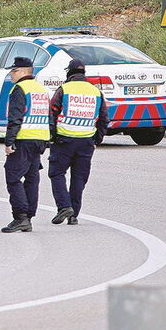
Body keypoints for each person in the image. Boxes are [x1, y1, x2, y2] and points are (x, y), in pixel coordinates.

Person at [48, 59, 109, 225]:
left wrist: (52, 137)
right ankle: (73, 215)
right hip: (86, 143)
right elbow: (104, 119)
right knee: (79, 178)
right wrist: (97, 140)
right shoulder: (95, 92)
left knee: (56, 173)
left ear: (69, 72)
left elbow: (51, 114)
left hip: (64, 141)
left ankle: (64, 206)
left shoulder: (64, 89)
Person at [2, 56, 51, 233]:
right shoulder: (41, 89)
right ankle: (28, 216)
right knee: (32, 179)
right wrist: (47, 139)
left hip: (23, 139)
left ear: (23, 72)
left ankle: (21, 216)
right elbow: (49, 116)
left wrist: (9, 142)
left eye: (14, 71)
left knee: (13, 177)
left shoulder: (20, 89)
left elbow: (15, 118)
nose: (11, 75)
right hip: (39, 140)